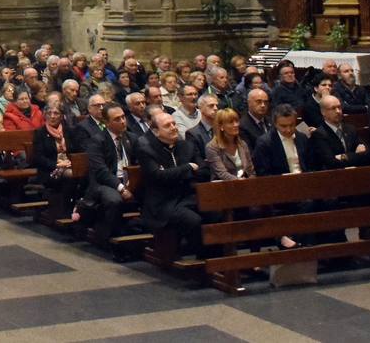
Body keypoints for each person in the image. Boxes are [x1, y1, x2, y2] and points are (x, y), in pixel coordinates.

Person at [135, 110, 206, 257]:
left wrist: (174, 173)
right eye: (167, 125)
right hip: (163, 202)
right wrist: (187, 168)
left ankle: (216, 257)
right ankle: (203, 259)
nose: (174, 127)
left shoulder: (186, 146)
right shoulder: (147, 150)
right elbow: (158, 177)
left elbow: (204, 171)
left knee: (215, 213)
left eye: (174, 123)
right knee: (193, 221)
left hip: (187, 197)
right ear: (155, 131)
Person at [82, 104, 135, 246]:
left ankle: (141, 233)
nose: (123, 121)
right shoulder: (97, 141)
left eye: (123, 117)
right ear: (106, 122)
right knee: (114, 200)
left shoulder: (131, 138)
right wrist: (122, 188)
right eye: (117, 119)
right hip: (104, 183)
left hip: (128, 180)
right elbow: (101, 172)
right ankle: (107, 237)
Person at [253, 104, 318, 177]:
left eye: (292, 125)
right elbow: (263, 173)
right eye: (283, 126)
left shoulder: (302, 138)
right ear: (275, 124)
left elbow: (311, 165)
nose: (288, 130)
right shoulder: (265, 143)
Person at [310, 95, 369, 168]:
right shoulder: (319, 134)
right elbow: (331, 162)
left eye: (339, 107)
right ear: (323, 112)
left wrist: (342, 157)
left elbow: (367, 154)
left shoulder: (351, 129)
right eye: (333, 108)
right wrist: (356, 155)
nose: (338, 111)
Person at [205, 108, 253, 181]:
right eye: (231, 122)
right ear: (221, 126)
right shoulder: (212, 147)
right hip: (223, 187)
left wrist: (251, 181)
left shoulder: (242, 144)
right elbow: (222, 173)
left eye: (237, 121)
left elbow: (250, 170)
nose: (236, 125)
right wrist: (241, 182)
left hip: (245, 184)